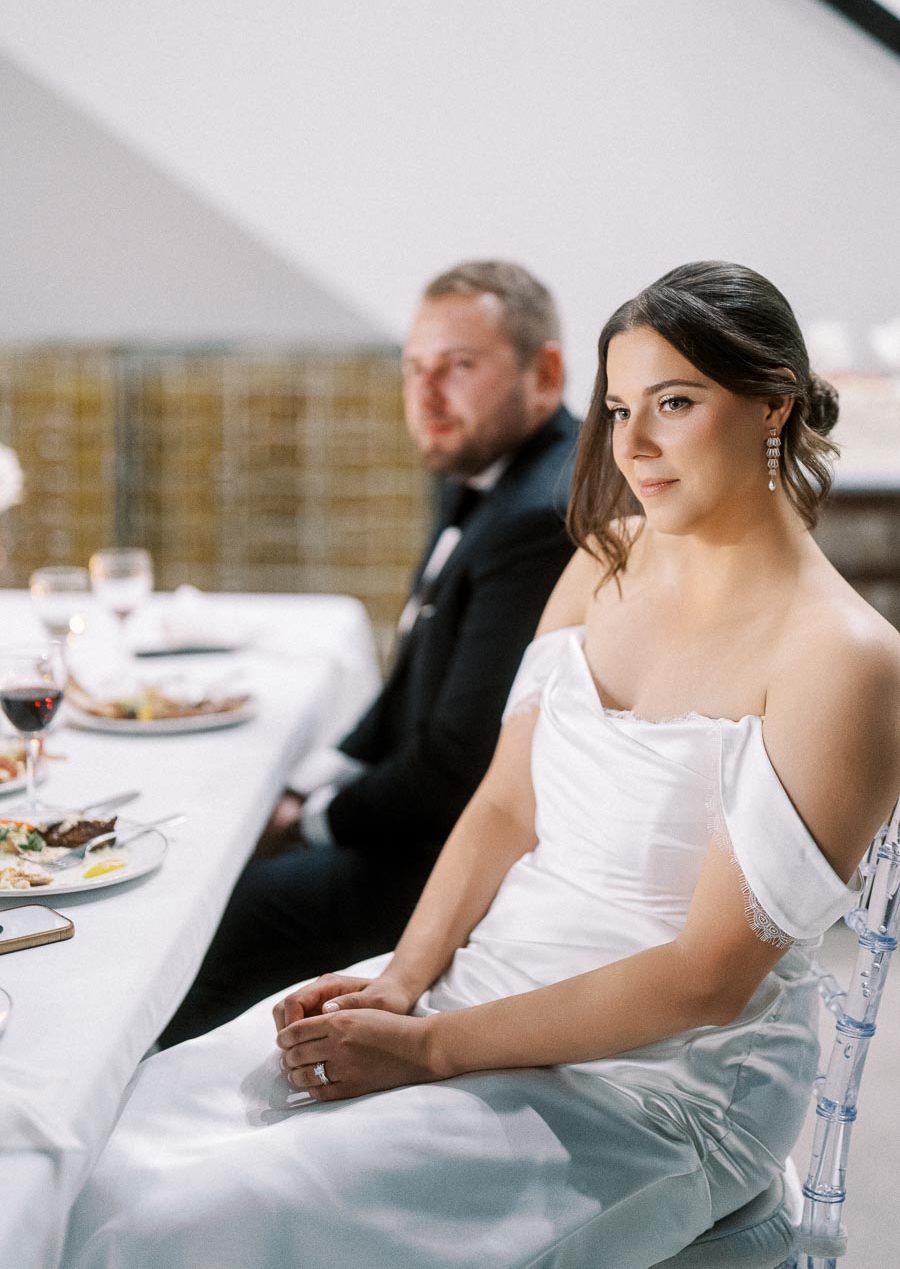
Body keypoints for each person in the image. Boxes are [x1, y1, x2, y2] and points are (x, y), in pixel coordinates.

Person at [65, 261, 900, 1269]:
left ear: (772, 408)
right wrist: (403, 981)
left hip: (656, 1080)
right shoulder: (607, 559)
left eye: (675, 405)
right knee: (116, 1140)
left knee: (191, 1222)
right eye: (620, 407)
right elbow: (506, 802)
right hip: (478, 981)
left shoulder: (843, 659)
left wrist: (426, 1052)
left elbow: (707, 979)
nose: (632, 447)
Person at [160, 260, 579, 1046]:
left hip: (456, 866)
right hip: (431, 823)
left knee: (225, 906)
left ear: (544, 372)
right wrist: (306, 787)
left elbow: (456, 765)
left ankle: (141, 1129)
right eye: (415, 368)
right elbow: (412, 678)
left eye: (458, 367)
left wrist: (310, 819)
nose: (426, 396)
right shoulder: (493, 466)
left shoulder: (540, 515)